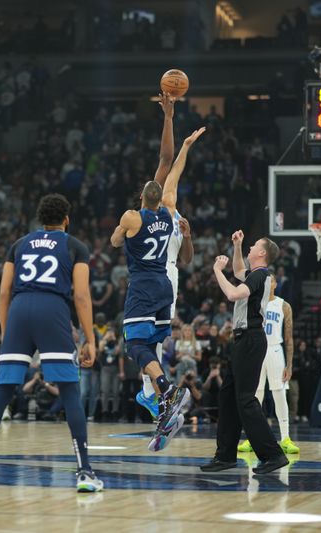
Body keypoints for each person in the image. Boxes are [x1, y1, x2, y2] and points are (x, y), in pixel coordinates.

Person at [0, 194, 102, 492]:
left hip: (18, 309)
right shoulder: (75, 245)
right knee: (69, 390)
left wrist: (6, 330)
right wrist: (90, 339)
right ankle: (84, 472)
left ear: (41, 220)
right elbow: (81, 296)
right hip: (52, 310)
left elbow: (3, 293)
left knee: (2, 391)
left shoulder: (19, 244)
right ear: (66, 219)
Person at [110, 126, 205, 452]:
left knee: (138, 345)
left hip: (154, 278)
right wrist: (187, 147)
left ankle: (158, 396)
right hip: (168, 283)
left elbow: (169, 171)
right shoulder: (170, 211)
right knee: (153, 345)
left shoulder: (156, 213)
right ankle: (160, 406)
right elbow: (173, 170)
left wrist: (183, 146)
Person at [200, 231, 289, 474]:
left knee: (246, 400)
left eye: (252, 246)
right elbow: (239, 273)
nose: (250, 247)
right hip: (242, 339)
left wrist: (217, 270)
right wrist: (237, 247)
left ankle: (273, 455)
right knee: (227, 397)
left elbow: (233, 293)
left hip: (250, 338)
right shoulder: (255, 275)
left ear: (262, 253)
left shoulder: (262, 275)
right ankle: (225, 456)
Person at [134, 92, 194, 420]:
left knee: (155, 336)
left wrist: (182, 141)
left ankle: (150, 393)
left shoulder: (171, 209)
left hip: (167, 276)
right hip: (149, 276)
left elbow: (172, 164)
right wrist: (168, 120)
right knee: (144, 339)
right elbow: (165, 161)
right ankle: (151, 393)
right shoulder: (142, 214)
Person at [238, 274, 299, 455]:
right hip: (256, 350)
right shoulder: (253, 302)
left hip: (274, 350)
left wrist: (289, 365)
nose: (267, 283)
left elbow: (288, 337)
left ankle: (286, 438)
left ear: (275, 284)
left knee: (279, 393)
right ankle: (252, 437)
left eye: (270, 280)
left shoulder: (284, 305)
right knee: (255, 395)